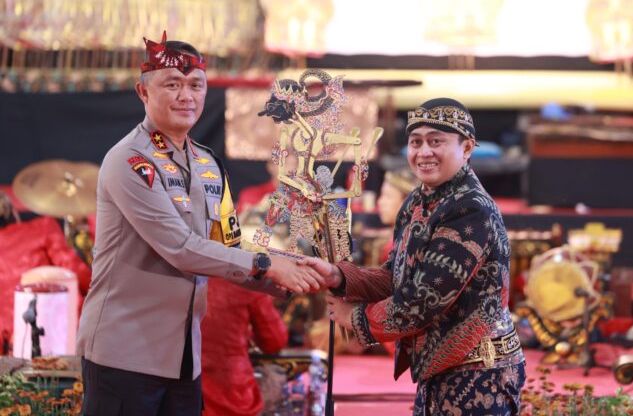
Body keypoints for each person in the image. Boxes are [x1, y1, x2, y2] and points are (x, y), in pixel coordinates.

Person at [76, 32, 321, 416]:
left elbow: (227, 247)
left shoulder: (207, 163)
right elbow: (182, 248)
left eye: (195, 85)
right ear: (143, 92)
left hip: (185, 357)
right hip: (125, 354)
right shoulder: (128, 160)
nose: (185, 96)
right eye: (172, 84)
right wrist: (270, 265)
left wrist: (293, 277)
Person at [300, 98, 525, 415]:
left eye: (436, 142)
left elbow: (422, 301)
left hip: (479, 372)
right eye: (416, 142)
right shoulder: (418, 202)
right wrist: (342, 276)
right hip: (442, 366)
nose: (424, 152)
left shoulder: (470, 208)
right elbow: (397, 278)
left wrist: (355, 319)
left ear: (468, 147)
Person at [201, 277, 288, 416]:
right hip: (232, 393)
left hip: (179, 391)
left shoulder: (178, 270)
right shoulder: (244, 277)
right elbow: (275, 340)